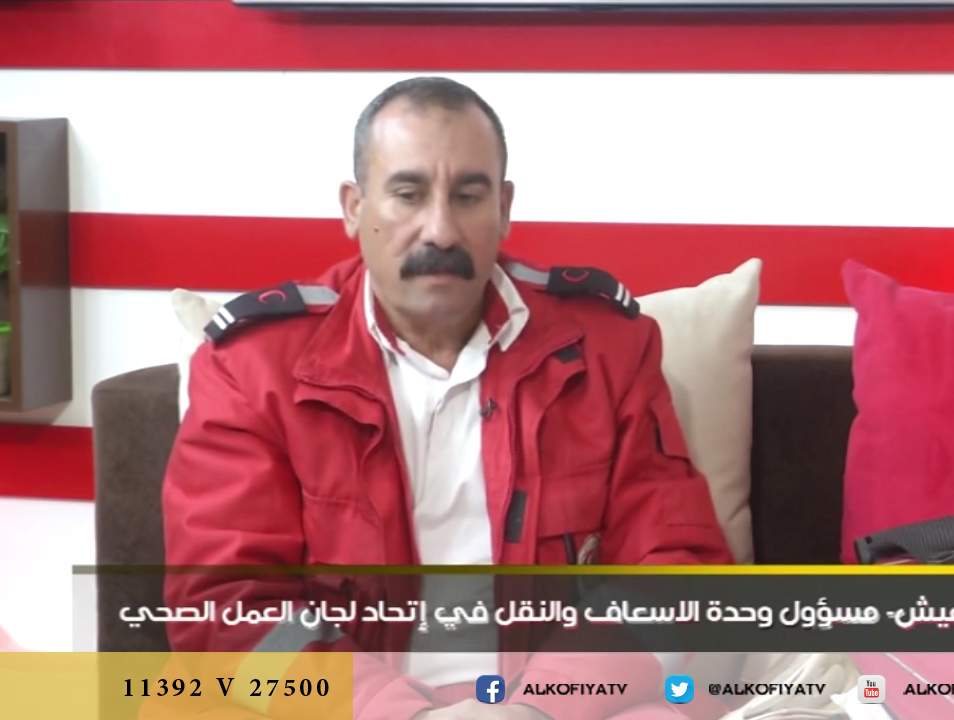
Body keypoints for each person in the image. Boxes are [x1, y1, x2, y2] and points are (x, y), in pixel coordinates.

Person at [161, 76, 733, 720]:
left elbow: (674, 569)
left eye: (468, 196)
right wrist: (395, 713)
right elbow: (225, 604)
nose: (439, 230)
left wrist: (542, 706)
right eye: (408, 195)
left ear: (503, 208)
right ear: (354, 207)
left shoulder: (607, 348)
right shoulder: (253, 365)